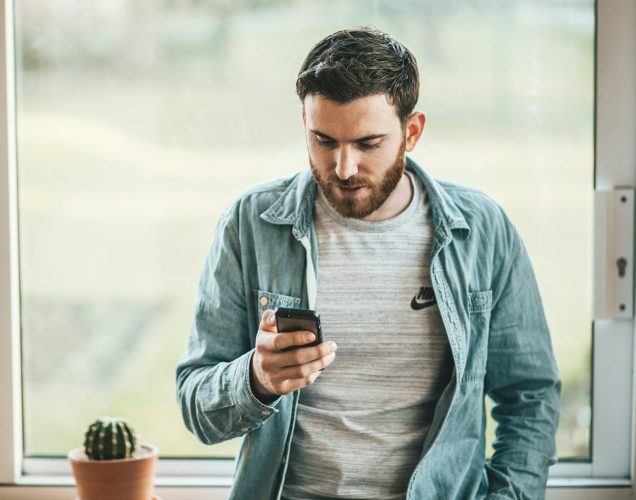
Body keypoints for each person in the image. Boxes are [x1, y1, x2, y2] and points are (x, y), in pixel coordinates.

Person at [176, 26, 561, 500]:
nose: (342, 168)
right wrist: (257, 378)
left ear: (412, 132)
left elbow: (530, 396)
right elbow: (197, 405)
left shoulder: (482, 232)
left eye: (367, 143)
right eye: (323, 140)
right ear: (303, 121)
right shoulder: (250, 224)